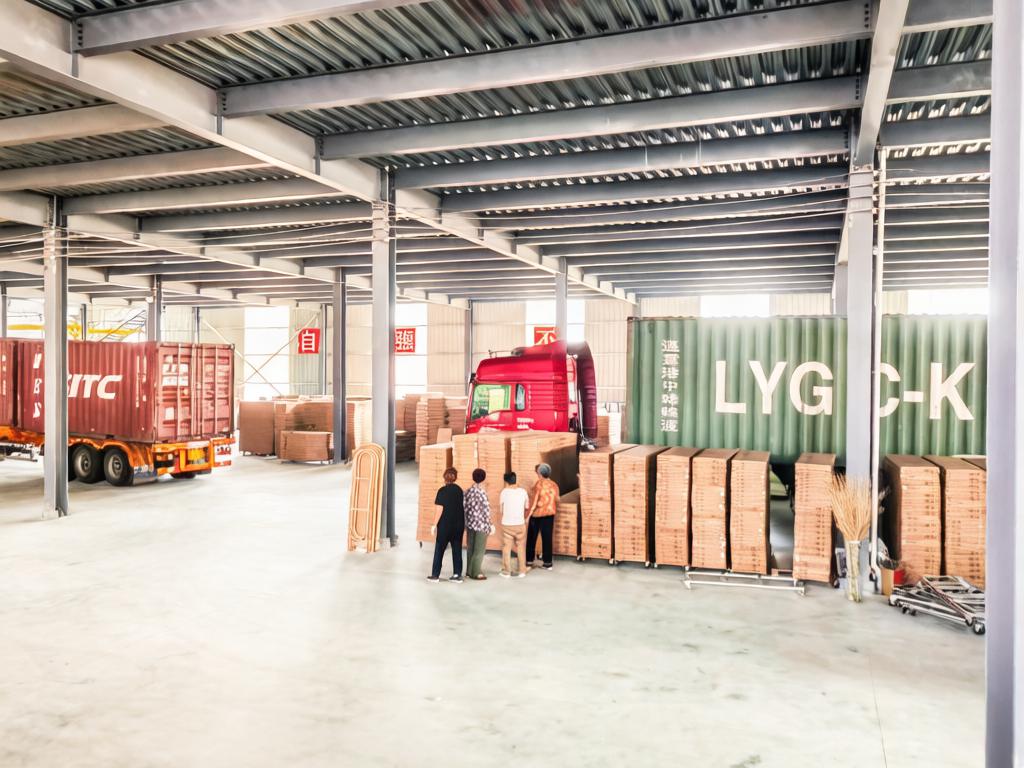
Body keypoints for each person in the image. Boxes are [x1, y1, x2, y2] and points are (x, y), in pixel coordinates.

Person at [428, 467, 464, 583]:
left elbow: (440, 509)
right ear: (455, 477)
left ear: (444, 478)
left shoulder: (442, 491)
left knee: (439, 549)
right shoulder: (459, 490)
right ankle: (457, 575)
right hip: (458, 525)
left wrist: (434, 525)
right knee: (457, 550)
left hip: (445, 526)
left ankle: (435, 575)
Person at [526, 463, 559, 570]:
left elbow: (535, 501)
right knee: (547, 538)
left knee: (532, 537)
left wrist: (528, 516)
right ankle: (548, 563)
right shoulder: (554, 484)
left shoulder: (539, 484)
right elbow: (557, 499)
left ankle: (529, 560)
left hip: (537, 515)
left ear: (539, 473)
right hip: (550, 514)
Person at [463, 468, 494, 581]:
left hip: (470, 524)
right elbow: (486, 511)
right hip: (481, 525)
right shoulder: (482, 493)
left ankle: (468, 571)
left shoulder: (467, 491)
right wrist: (490, 525)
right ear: (484, 478)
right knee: (479, 549)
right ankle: (476, 572)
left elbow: (464, 508)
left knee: (470, 548)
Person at [499, 471, 530, 578]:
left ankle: (506, 571)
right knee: (521, 547)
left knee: (506, 547)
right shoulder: (523, 492)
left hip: (507, 524)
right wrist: (523, 518)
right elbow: (527, 508)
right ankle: (522, 571)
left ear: (506, 482)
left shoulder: (504, 492)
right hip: (520, 523)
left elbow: (501, 510)